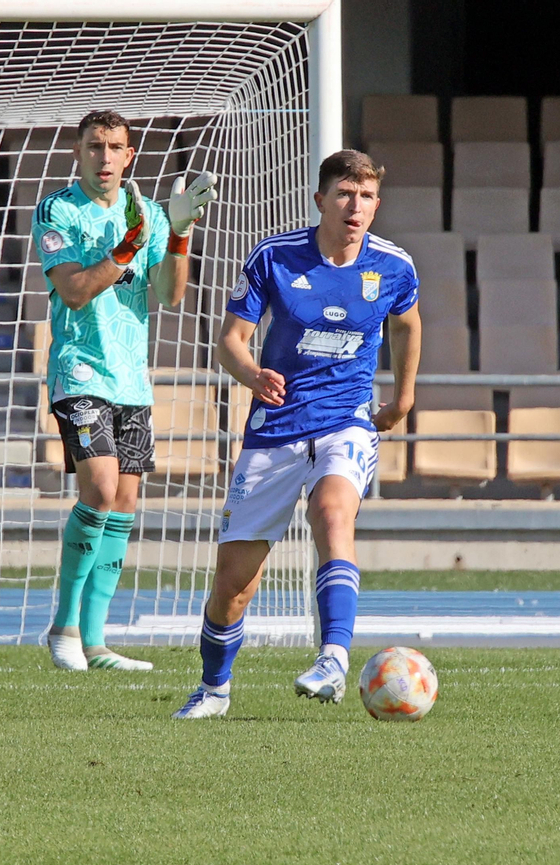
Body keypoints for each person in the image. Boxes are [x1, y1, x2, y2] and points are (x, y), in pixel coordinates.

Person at [173, 150, 419, 719]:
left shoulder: (395, 267)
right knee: (234, 584)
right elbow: (231, 339)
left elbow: (408, 323)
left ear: (377, 204)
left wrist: (404, 397)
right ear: (321, 200)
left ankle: (333, 656)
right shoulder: (275, 257)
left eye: (366, 197)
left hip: (347, 421)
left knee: (333, 514)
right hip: (276, 428)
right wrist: (252, 373)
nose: (355, 207)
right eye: (344, 194)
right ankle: (214, 689)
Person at [31, 110, 218, 672]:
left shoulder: (152, 215)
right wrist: (126, 249)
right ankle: (62, 627)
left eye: (115, 147)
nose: (105, 157)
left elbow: (170, 294)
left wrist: (178, 233)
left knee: (127, 501)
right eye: (95, 147)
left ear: (130, 155)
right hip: (80, 369)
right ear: (78, 151)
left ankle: (95, 640)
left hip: (132, 377)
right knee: (101, 485)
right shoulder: (58, 209)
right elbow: (73, 292)